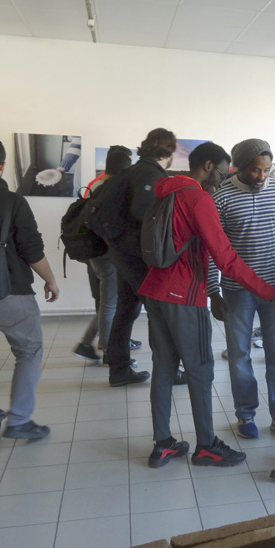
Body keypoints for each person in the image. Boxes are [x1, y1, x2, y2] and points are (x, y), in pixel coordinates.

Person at [139, 142, 275, 468]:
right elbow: (225, 258)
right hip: (184, 295)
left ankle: (163, 444)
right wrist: (269, 292)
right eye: (222, 173)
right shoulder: (199, 199)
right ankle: (207, 446)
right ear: (208, 167)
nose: (223, 180)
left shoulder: (167, 192)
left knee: (164, 368)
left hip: (155, 290)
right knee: (200, 371)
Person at [208, 138, 275, 442]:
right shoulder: (221, 197)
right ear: (238, 167)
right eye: (254, 170)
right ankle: (246, 414)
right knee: (239, 355)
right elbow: (212, 249)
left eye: (266, 169)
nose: (261, 176)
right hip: (237, 290)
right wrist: (213, 292)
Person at [0, 137, 60, 443]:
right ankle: (18, 421)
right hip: (11, 290)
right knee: (29, 352)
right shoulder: (12, 201)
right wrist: (50, 279)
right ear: (2, 166)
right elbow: (31, 249)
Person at [104, 128, 176, 387]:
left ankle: (119, 369)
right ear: (168, 150)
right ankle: (168, 372)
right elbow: (144, 211)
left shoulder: (135, 170)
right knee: (159, 312)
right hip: (138, 256)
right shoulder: (150, 173)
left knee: (126, 310)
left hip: (123, 253)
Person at [74, 146, 135, 364]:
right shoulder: (111, 189)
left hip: (94, 251)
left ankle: (91, 343)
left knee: (107, 302)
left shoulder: (95, 184)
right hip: (106, 253)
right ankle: (109, 351)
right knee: (109, 304)